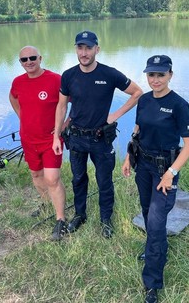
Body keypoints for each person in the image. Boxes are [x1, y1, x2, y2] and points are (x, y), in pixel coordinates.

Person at [52, 30, 143, 239]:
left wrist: (116, 114)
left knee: (104, 181)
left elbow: (137, 92)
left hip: (101, 139)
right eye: (80, 48)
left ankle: (106, 219)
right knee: (78, 178)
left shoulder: (109, 74)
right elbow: (61, 106)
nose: (84, 53)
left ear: (97, 49)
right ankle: (80, 214)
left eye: (88, 48)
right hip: (75, 138)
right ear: (76, 49)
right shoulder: (68, 76)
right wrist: (57, 135)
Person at [122, 55, 189, 303]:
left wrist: (171, 173)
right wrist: (128, 157)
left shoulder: (179, 105)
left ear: (170, 75)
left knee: (155, 222)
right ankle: (155, 249)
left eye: (160, 75)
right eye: (151, 75)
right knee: (146, 212)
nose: (155, 80)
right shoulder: (143, 101)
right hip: (143, 166)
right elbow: (138, 129)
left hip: (165, 171)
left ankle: (152, 284)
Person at [9, 45, 67, 241]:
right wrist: (22, 117)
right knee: (36, 174)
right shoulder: (18, 82)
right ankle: (46, 203)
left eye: (32, 58)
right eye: (24, 60)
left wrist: (63, 127)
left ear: (40, 58)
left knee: (52, 179)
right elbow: (13, 98)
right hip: (28, 139)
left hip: (51, 140)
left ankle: (60, 219)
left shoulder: (55, 79)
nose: (28, 62)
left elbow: (73, 103)